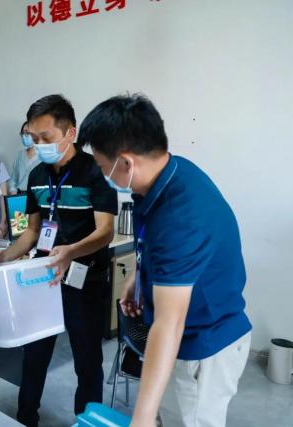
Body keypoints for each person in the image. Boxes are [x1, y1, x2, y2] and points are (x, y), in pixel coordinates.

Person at [79, 94, 252, 427]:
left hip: (204, 343)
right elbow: (155, 244)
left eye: (101, 166)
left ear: (126, 162)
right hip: (184, 329)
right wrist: (139, 279)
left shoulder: (182, 215)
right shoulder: (167, 175)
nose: (102, 174)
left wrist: (141, 417)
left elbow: (169, 324)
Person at [0, 94, 117, 426]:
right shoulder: (36, 177)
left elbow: (105, 232)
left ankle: (87, 420)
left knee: (87, 361)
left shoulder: (96, 172)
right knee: (34, 354)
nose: (40, 145)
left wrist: (71, 251)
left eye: (46, 138)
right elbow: (32, 231)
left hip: (84, 280)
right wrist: (2, 257)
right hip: (43, 279)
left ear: (70, 133)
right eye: (34, 138)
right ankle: (25, 417)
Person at [9, 121, 41, 194]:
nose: (24, 135)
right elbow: (13, 179)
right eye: (22, 133)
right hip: (21, 195)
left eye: (27, 132)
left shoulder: (44, 155)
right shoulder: (20, 155)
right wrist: (13, 191)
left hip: (39, 195)